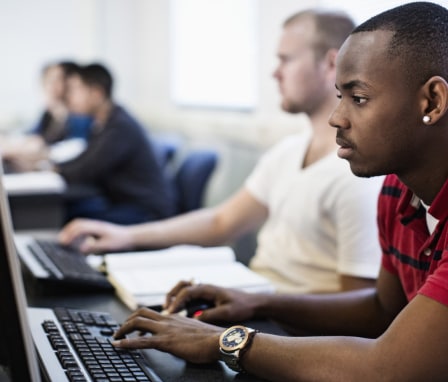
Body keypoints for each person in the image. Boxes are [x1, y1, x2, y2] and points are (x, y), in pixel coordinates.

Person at [107, 2, 448, 380]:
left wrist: (224, 342)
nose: (337, 117)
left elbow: (387, 369)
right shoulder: (397, 192)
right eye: (340, 96)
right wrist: (258, 302)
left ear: (432, 101)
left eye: (359, 98)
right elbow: (383, 309)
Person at [59, 9, 384, 294]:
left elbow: (359, 309)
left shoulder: (358, 175)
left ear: (331, 64)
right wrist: (126, 236)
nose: (275, 72)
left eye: (285, 59)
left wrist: (254, 305)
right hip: (257, 302)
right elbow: (222, 221)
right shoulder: (287, 151)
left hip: (287, 331)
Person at [57, 63, 176, 224]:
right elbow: (84, 160)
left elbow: (88, 170)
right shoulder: (103, 122)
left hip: (146, 212)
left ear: (97, 93)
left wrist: (50, 168)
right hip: (125, 203)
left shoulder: (119, 127)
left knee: (74, 217)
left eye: (77, 90)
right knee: (74, 211)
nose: (70, 97)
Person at [0, 61, 92, 172]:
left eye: (56, 80)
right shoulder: (48, 114)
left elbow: (76, 149)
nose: (49, 85)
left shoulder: (80, 116)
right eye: (47, 80)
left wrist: (41, 152)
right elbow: (30, 136)